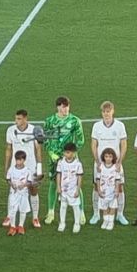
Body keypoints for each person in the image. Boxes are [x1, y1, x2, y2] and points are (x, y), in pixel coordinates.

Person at [43, 96, 84, 225]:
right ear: (58, 107)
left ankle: (81, 212)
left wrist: (71, 154)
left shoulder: (75, 121)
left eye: (67, 106)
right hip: (54, 159)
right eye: (63, 106)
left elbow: (80, 139)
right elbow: (44, 139)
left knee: (76, 183)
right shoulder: (50, 121)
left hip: (71, 159)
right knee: (54, 183)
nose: (65, 109)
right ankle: (50, 212)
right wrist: (51, 153)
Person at [3, 109, 45, 229]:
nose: (16, 121)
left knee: (33, 190)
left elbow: (38, 149)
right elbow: (8, 149)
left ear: (26, 119)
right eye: (16, 118)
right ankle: (9, 216)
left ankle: (35, 217)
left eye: (19, 119)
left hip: (30, 167)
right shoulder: (11, 130)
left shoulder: (34, 130)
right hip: (15, 167)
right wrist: (6, 167)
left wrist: (39, 167)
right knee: (13, 191)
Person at [90, 101, 128, 226]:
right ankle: (96, 214)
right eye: (104, 112)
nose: (106, 114)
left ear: (113, 111)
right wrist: (97, 162)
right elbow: (94, 144)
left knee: (119, 187)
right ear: (102, 113)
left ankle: (120, 214)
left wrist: (119, 162)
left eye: (108, 111)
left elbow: (123, 144)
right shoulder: (96, 126)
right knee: (97, 186)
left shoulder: (120, 125)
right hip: (101, 164)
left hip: (115, 164)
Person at [55, 143, 83, 233]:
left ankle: (77, 223)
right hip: (63, 190)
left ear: (74, 153)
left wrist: (78, 189)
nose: (66, 154)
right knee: (63, 206)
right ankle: (62, 223)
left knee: (75, 206)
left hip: (73, 189)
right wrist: (58, 186)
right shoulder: (61, 162)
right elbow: (58, 174)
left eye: (68, 152)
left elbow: (79, 177)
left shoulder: (78, 164)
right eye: (65, 152)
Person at [5, 150, 33, 236]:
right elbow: (8, 179)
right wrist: (11, 185)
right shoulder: (11, 169)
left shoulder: (27, 170)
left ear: (24, 160)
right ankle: (12, 227)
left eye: (20, 160)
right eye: (17, 160)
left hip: (24, 194)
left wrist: (24, 185)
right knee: (13, 210)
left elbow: (29, 182)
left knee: (23, 210)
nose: (18, 162)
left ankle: (21, 226)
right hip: (14, 193)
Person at [95, 147, 123, 230]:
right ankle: (105, 221)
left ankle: (111, 222)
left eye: (110, 157)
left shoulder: (115, 168)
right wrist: (99, 190)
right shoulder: (100, 167)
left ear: (113, 157)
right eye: (106, 156)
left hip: (112, 191)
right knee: (104, 206)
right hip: (103, 191)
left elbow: (117, 180)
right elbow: (98, 179)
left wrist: (117, 190)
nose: (108, 158)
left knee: (112, 206)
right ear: (103, 157)